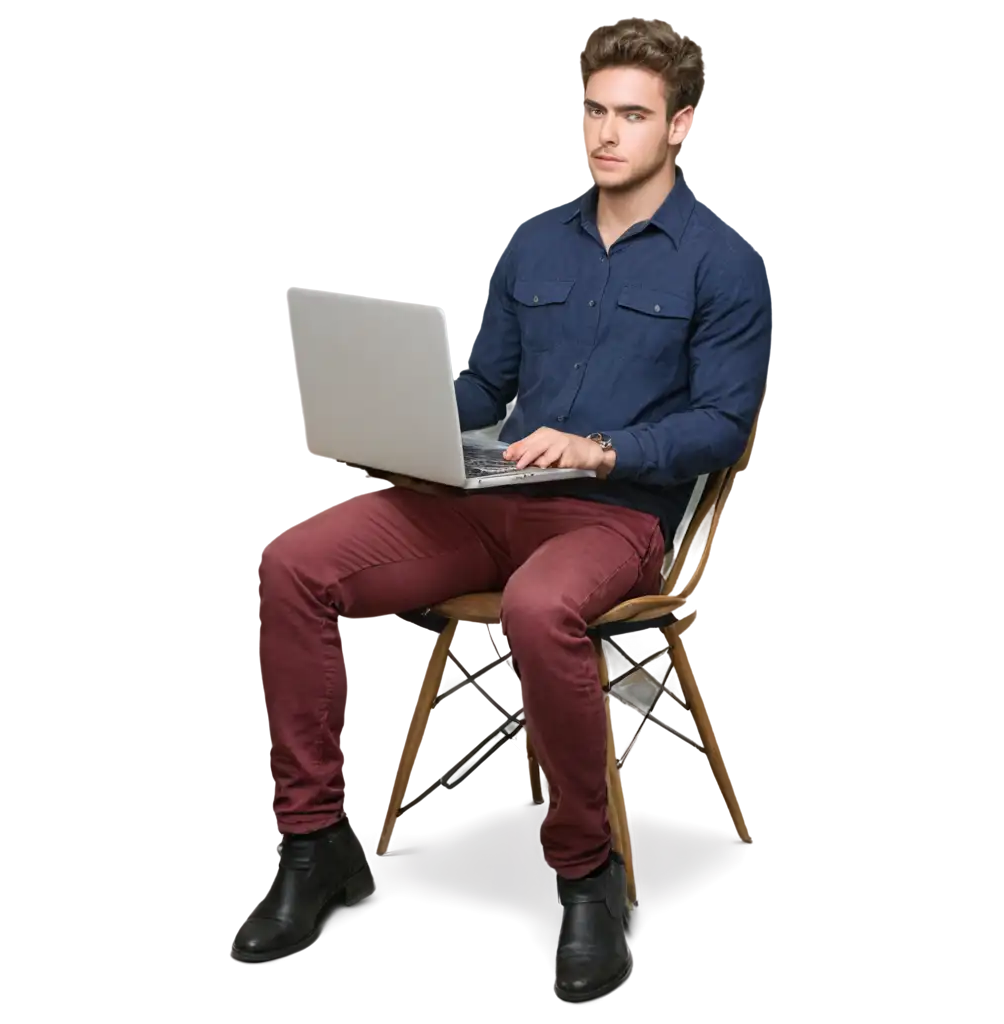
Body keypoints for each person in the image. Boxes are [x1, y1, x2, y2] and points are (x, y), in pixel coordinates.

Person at [230, 15, 770, 1002]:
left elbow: (720, 427)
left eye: (633, 115)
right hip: (486, 500)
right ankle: (314, 847)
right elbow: (488, 384)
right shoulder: (532, 238)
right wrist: (405, 414)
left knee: (534, 608)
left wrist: (603, 448)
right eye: (593, 111)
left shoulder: (718, 260)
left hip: (613, 518)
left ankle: (584, 870)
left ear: (680, 126)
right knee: (291, 565)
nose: (607, 133)